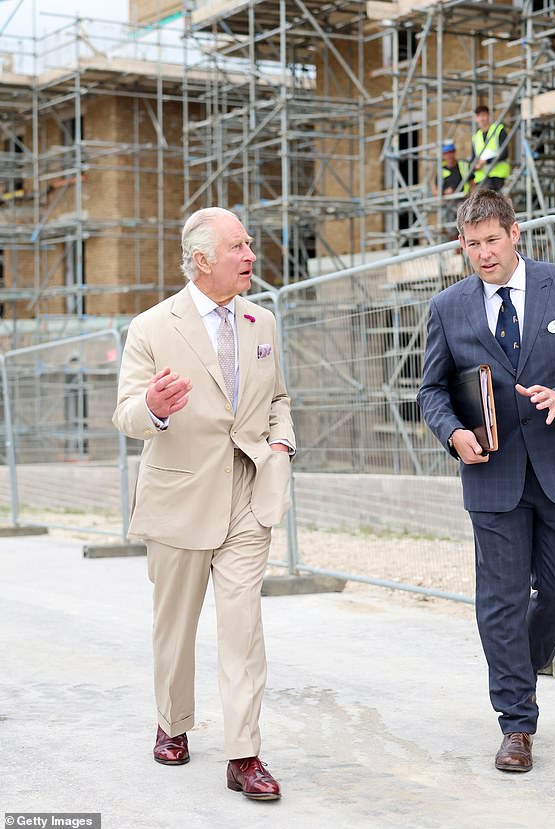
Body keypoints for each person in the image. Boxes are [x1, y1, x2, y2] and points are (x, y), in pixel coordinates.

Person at [418, 189, 555, 773]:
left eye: (492, 241)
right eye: (472, 244)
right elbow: (430, 390)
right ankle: (516, 723)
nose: (483, 254)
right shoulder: (448, 307)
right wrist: (452, 433)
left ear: (515, 234)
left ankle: (518, 668)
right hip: (492, 472)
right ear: (462, 246)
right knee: (500, 600)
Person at [112, 207, 295, 800]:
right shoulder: (150, 327)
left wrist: (282, 442)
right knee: (177, 626)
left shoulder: (262, 321)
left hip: (248, 491)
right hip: (179, 496)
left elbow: (279, 398)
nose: (250, 256)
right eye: (239, 247)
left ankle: (244, 754)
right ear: (202, 261)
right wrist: (157, 408)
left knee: (243, 628)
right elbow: (127, 414)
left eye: (248, 245)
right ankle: (173, 721)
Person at [471, 106, 510, 192]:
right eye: (479, 116)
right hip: (482, 177)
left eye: (484, 115)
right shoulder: (475, 137)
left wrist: (486, 161)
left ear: (489, 116)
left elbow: (504, 153)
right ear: (476, 118)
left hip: (498, 175)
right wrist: (475, 166)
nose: (482, 118)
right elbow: (473, 158)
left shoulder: (498, 130)